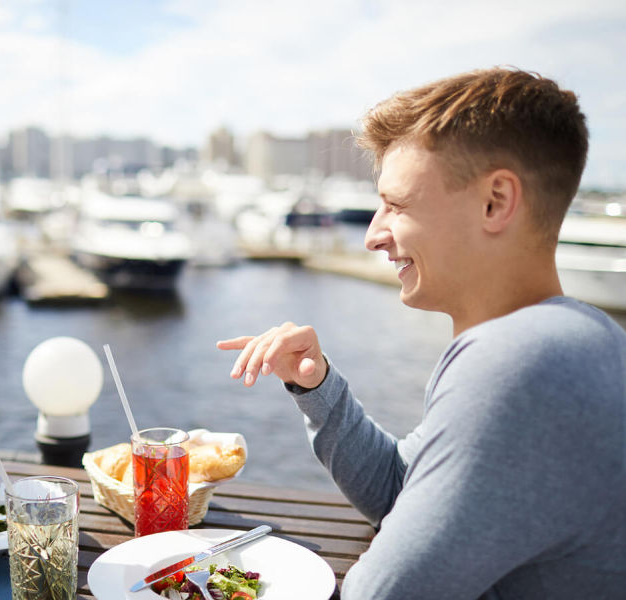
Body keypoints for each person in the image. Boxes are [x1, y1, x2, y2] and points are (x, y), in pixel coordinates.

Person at [218, 67, 625, 599]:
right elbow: (400, 488)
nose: (372, 236)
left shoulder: (518, 363)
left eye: (397, 204)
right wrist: (317, 389)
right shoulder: (584, 336)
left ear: (495, 202)